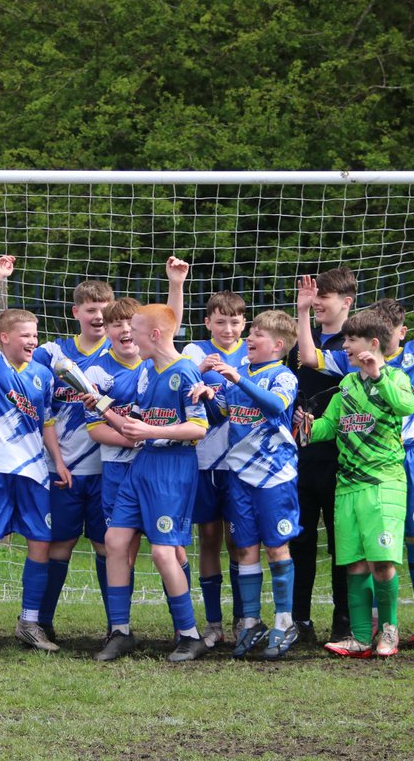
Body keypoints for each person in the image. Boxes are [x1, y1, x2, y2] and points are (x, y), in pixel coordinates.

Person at [296, 262, 414, 652]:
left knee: (412, 539)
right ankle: (367, 628)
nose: (347, 346)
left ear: (393, 335)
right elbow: (312, 367)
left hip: (403, 460)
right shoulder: (349, 371)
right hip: (354, 474)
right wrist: (308, 427)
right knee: (362, 552)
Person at [0, 255, 71, 652]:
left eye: (35, 335)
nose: (32, 341)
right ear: (4, 337)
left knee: (40, 542)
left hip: (34, 473)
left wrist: (57, 461)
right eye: (25, 335)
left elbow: (47, 423)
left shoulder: (43, 376)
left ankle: (28, 622)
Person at [92, 303, 210, 663]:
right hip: (141, 467)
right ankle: (120, 631)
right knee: (114, 539)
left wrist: (152, 431)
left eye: (136, 329)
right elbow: (135, 426)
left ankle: (190, 636)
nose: (130, 335)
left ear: (154, 335)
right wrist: (101, 407)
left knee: (163, 552)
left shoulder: (186, 373)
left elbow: (199, 428)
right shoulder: (145, 371)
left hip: (172, 469)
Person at [300, 309, 414, 658]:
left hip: (384, 483)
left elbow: (405, 406)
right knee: (354, 563)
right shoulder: (347, 386)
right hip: (347, 486)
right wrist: (306, 426)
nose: (345, 345)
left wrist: (377, 375)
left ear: (373, 343)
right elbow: (328, 428)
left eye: (351, 339)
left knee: (382, 561)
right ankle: (361, 636)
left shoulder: (395, 378)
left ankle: (390, 631)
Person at [201, 310, 302, 660]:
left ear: (277, 345)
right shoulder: (240, 373)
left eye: (256, 334)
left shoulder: (283, 375)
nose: (249, 338)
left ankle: (285, 620)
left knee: (276, 547)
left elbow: (276, 407)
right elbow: (222, 416)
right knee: (244, 548)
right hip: (238, 475)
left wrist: (238, 380)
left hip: (274, 476)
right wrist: (206, 397)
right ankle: (250, 621)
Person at [166, 256, 246, 647]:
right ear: (208, 323)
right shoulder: (195, 352)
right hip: (201, 461)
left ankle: (243, 618)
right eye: (220, 321)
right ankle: (213, 622)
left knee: (241, 540)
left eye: (234, 322)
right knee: (209, 536)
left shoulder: (254, 354)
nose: (227, 328)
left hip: (242, 463)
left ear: (244, 325)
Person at [33, 279, 113, 642]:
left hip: (107, 470)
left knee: (106, 545)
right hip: (61, 468)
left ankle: (117, 626)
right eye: (92, 310)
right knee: (59, 544)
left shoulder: (123, 352)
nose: (99, 317)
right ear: (76, 312)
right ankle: (42, 620)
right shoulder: (54, 353)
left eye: (105, 310)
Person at [287, 267, 356, 645]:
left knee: (341, 542)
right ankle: (300, 621)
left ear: (345, 302)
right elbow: (291, 383)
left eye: (322, 299)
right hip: (303, 455)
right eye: (313, 300)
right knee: (300, 541)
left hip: (341, 457)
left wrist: (299, 313)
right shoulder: (304, 338)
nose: (315, 305)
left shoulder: (354, 343)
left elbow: (312, 361)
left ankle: (344, 620)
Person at [81, 296, 145, 636]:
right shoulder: (96, 371)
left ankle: (185, 630)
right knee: (119, 549)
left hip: (156, 470)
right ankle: (118, 626)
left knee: (170, 547)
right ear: (106, 331)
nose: (124, 330)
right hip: (117, 472)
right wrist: (136, 438)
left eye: (130, 323)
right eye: (116, 324)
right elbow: (95, 429)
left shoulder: (158, 363)